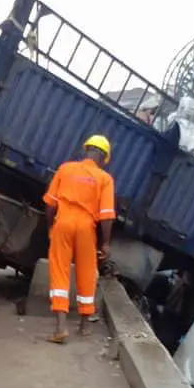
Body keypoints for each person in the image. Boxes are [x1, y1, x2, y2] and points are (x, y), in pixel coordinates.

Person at [42, 134, 115, 344]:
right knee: (86, 271)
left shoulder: (65, 169)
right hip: (86, 228)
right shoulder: (105, 179)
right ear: (103, 158)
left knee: (60, 271)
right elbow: (107, 215)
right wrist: (105, 243)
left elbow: (50, 205)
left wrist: (51, 228)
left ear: (86, 150)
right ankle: (84, 325)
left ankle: (60, 328)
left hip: (63, 223)